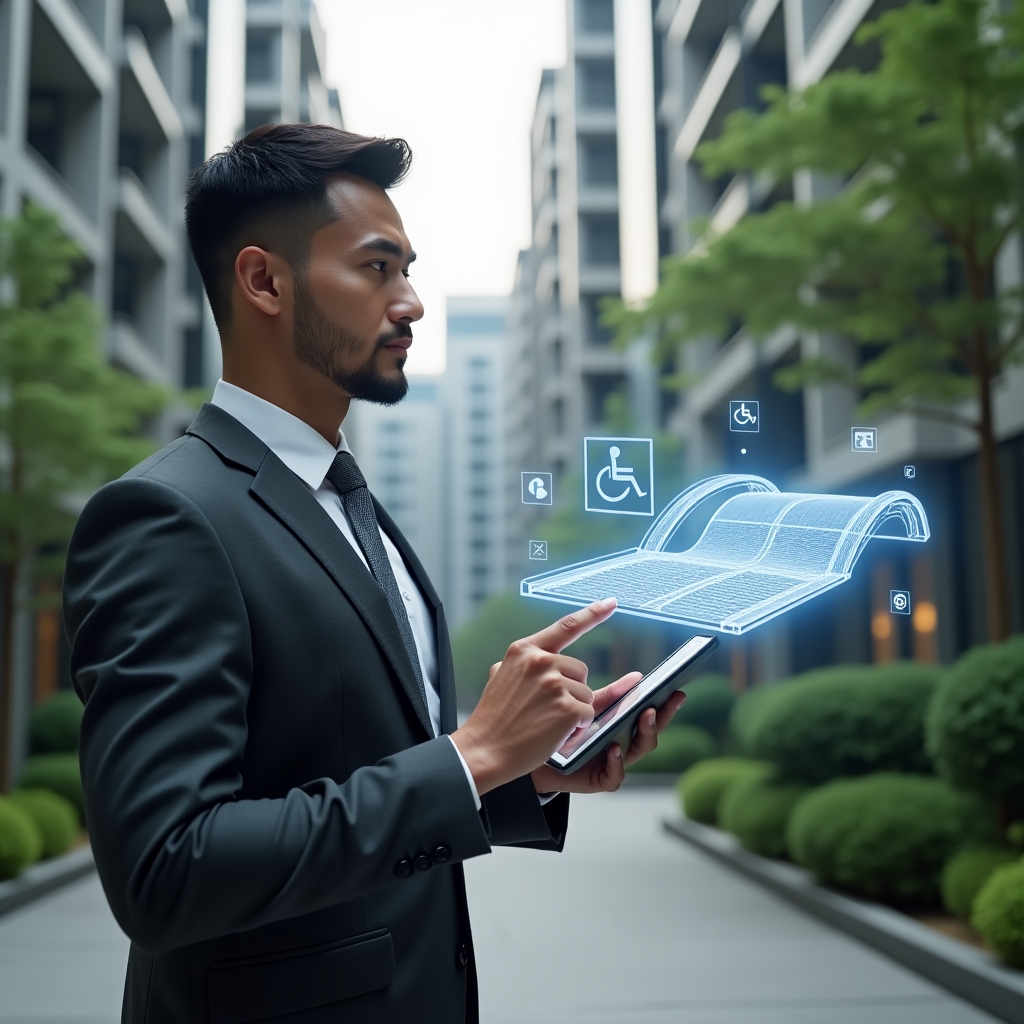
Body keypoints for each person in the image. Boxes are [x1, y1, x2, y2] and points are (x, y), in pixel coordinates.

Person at [63, 124, 685, 1024]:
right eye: (377, 268)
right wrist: (468, 758)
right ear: (264, 281)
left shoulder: (352, 505)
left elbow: (357, 769)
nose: (413, 303)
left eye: (409, 269)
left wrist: (525, 771)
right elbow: (166, 868)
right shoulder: (166, 517)